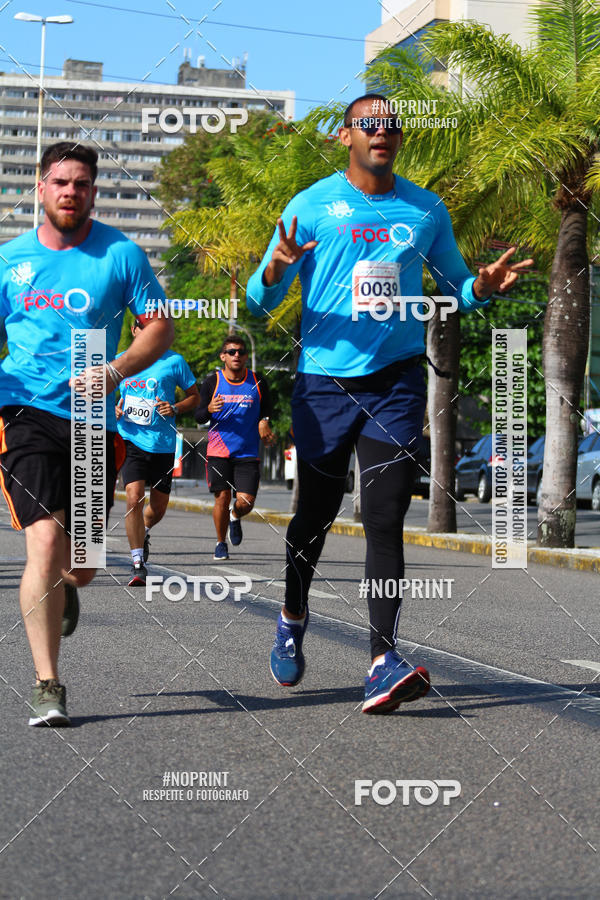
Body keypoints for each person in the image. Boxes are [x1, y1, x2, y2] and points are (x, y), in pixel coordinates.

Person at [246, 94, 533, 714]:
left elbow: (457, 286)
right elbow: (258, 304)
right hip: (323, 383)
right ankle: (292, 618)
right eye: (368, 124)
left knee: (384, 513)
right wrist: (276, 269)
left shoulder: (426, 209)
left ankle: (382, 660)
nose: (382, 132)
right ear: (345, 136)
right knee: (315, 515)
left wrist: (481, 288)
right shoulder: (311, 206)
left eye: (391, 125)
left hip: (397, 382)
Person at [0, 142, 173, 726]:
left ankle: (65, 586)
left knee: (83, 565)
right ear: (41, 189)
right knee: (44, 544)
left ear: (93, 192)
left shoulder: (120, 256)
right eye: (60, 181)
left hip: (95, 416)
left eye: (81, 183)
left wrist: (114, 370)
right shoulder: (10, 260)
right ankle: (49, 684)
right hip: (23, 410)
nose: (70, 191)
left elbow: (159, 329)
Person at [115, 319, 199, 586]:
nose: (147, 330)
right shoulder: (119, 360)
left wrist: (175, 408)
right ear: (134, 330)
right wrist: (112, 409)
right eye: (142, 325)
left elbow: (195, 397)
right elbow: (103, 393)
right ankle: (138, 562)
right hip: (130, 439)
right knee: (134, 497)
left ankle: (145, 531)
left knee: (158, 507)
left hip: (162, 443)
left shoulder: (174, 361)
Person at [195, 335, 276, 560]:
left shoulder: (257, 381)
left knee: (246, 502)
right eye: (231, 352)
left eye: (240, 351)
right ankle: (220, 543)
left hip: (247, 451)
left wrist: (264, 422)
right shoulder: (212, 382)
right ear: (223, 356)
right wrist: (209, 408)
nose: (236, 355)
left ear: (246, 356)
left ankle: (235, 515)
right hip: (218, 451)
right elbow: (199, 415)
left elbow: (267, 410)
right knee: (221, 496)